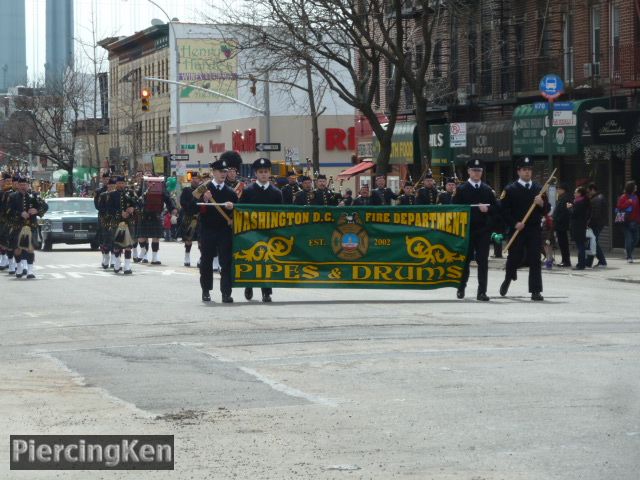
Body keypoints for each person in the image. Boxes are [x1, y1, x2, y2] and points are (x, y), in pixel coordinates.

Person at [499, 157, 550, 301]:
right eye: (524, 170)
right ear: (518, 171)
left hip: (533, 229)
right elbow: (503, 211)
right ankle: (508, 278)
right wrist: (514, 223)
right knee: (514, 257)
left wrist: (541, 204)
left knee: (535, 259)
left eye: (529, 170)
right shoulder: (510, 189)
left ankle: (535, 291)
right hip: (518, 229)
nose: (527, 173)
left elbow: (547, 209)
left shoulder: (539, 189)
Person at [190, 158, 237, 303]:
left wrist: (232, 207)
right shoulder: (203, 188)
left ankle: (226, 293)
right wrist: (204, 199)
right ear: (214, 172)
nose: (223, 174)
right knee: (206, 261)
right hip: (208, 229)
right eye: (220, 171)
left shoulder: (230, 191)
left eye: (225, 171)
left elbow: (238, 212)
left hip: (224, 230)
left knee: (226, 262)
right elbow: (191, 207)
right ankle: (206, 290)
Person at [239, 157, 283, 302]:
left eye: (266, 171)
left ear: (269, 173)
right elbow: (241, 211)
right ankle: (249, 284)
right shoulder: (248, 191)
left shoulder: (276, 192)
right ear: (255, 174)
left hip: (268, 232)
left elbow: (280, 214)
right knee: (251, 259)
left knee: (267, 261)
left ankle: (266, 291)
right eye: (260, 172)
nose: (263, 174)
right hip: (251, 232)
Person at [452, 159, 497, 301]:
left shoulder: (487, 189)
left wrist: (488, 208)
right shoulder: (462, 189)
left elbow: (496, 208)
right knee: (465, 261)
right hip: (467, 230)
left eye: (479, 171)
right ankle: (461, 286)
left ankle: (482, 292)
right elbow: (454, 209)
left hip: (483, 230)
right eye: (474, 170)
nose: (477, 173)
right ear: (469, 171)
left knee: (483, 261)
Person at [7, 176, 48, 279]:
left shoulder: (34, 196)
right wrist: (20, 213)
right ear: (18, 186)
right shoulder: (12, 197)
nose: (23, 187)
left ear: (28, 185)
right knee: (17, 249)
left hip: (31, 226)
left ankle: (30, 271)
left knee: (30, 249)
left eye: (25, 185)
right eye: (21, 185)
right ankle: (19, 267)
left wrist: (37, 211)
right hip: (18, 226)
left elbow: (45, 207)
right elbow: (8, 212)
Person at [137, 176, 175, 265]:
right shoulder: (142, 187)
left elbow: (167, 198)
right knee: (142, 236)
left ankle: (154, 257)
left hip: (155, 213)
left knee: (156, 237)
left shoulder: (161, 186)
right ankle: (143, 252)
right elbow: (137, 199)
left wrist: (172, 209)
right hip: (144, 214)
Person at [106, 175, 138, 274]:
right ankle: (117, 264)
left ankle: (127, 267)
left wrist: (132, 209)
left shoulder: (130, 193)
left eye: (122, 183)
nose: (121, 185)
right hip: (117, 222)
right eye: (119, 183)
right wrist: (120, 213)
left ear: (125, 184)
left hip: (128, 222)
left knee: (128, 245)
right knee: (117, 245)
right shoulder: (111, 195)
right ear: (116, 184)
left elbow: (138, 203)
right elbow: (109, 209)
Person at [179, 172, 202, 267]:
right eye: (193, 178)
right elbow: (182, 202)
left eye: (197, 178)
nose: (195, 180)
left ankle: (201, 258)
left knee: (201, 240)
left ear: (199, 180)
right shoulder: (187, 190)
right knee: (188, 239)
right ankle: (187, 256)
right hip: (189, 216)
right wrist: (189, 209)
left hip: (200, 217)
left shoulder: (203, 190)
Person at [616, 181, 640, 263]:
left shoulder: (635, 197)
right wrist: (628, 202)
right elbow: (619, 207)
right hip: (625, 222)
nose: (636, 187)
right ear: (631, 188)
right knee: (629, 239)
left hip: (635, 221)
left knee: (636, 238)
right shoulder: (623, 197)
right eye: (635, 186)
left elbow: (637, 209)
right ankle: (629, 257)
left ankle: (628, 251)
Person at [567, 185, 590, 270]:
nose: (574, 193)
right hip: (581, 225)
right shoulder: (582, 201)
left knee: (580, 245)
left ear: (580, 194)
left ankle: (581, 264)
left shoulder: (580, 202)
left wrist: (569, 208)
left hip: (578, 226)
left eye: (575, 192)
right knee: (580, 245)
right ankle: (580, 263)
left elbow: (574, 214)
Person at [585, 183, 607, 268]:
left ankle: (602, 261)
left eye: (589, 191)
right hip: (599, 223)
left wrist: (589, 224)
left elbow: (595, 214)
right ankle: (589, 262)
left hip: (596, 224)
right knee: (592, 242)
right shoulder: (599, 197)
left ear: (593, 190)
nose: (588, 193)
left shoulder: (596, 199)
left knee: (593, 243)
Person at [552, 182, 572, 267]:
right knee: (562, 243)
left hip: (562, 224)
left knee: (563, 243)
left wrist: (557, 220)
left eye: (558, 189)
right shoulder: (562, 197)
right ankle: (564, 260)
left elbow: (564, 212)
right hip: (560, 223)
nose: (557, 190)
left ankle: (566, 261)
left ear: (563, 190)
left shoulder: (565, 198)